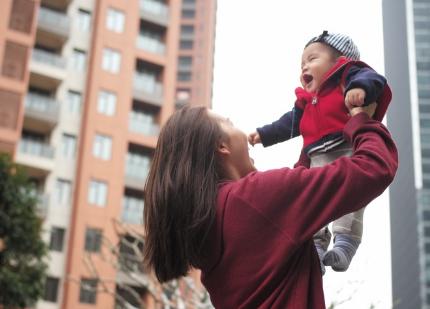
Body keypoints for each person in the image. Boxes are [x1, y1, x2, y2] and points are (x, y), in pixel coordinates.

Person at [143, 103, 397, 308]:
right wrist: (361, 119)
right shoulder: (253, 198)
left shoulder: (213, 221)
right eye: (230, 123)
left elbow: (286, 211)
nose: (241, 132)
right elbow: (373, 168)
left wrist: (314, 141)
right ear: (221, 146)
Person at [248, 31, 392, 273]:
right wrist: (264, 134)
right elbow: (290, 123)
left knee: (351, 196)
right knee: (311, 199)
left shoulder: (348, 75)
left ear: (338, 61)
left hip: (347, 147)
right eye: (302, 63)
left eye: (312, 59)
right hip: (317, 156)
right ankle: (316, 245)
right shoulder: (307, 100)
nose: (305, 66)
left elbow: (375, 79)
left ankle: (345, 244)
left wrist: (359, 89)